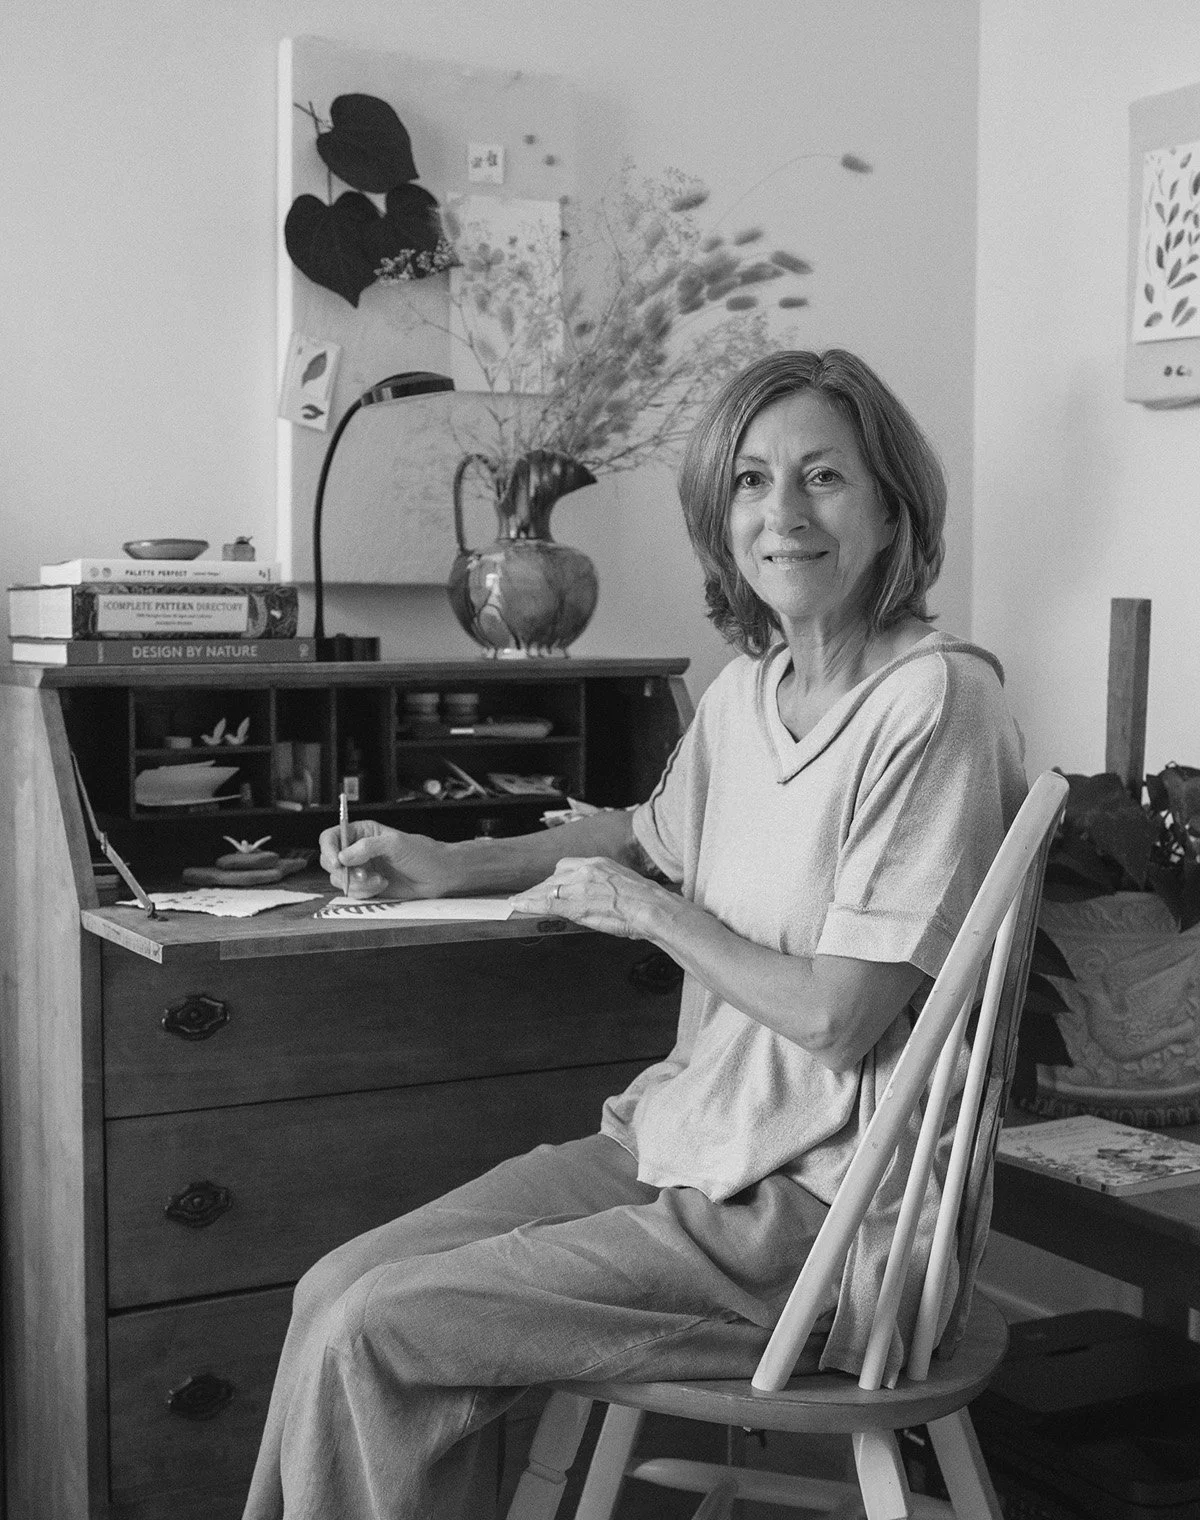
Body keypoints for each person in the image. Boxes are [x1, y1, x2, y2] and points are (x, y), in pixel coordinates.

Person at [243, 349, 1026, 1520]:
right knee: (333, 1286)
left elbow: (839, 1013)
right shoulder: (745, 692)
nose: (783, 512)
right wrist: (450, 860)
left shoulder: (939, 700)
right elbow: (640, 835)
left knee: (377, 1327)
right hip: (679, 1144)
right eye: (752, 480)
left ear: (893, 508)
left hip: (818, 1219)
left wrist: (652, 913)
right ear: (721, 513)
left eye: (823, 476)